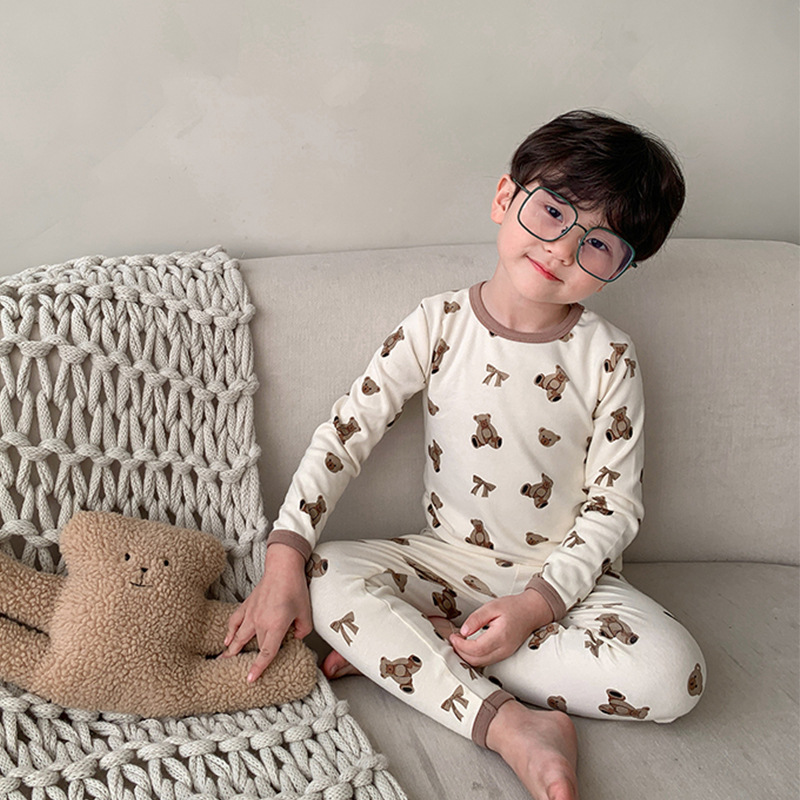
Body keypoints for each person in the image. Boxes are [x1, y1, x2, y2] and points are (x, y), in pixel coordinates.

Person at [223, 109, 706, 800]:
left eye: (599, 244)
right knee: (325, 576)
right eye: (553, 212)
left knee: (676, 678)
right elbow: (345, 434)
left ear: (619, 269)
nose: (563, 249)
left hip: (567, 585)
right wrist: (281, 560)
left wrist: (535, 606)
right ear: (506, 197)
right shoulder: (438, 323)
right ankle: (510, 725)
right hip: (446, 561)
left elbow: (614, 508)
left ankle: (423, 648)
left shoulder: (609, 356)